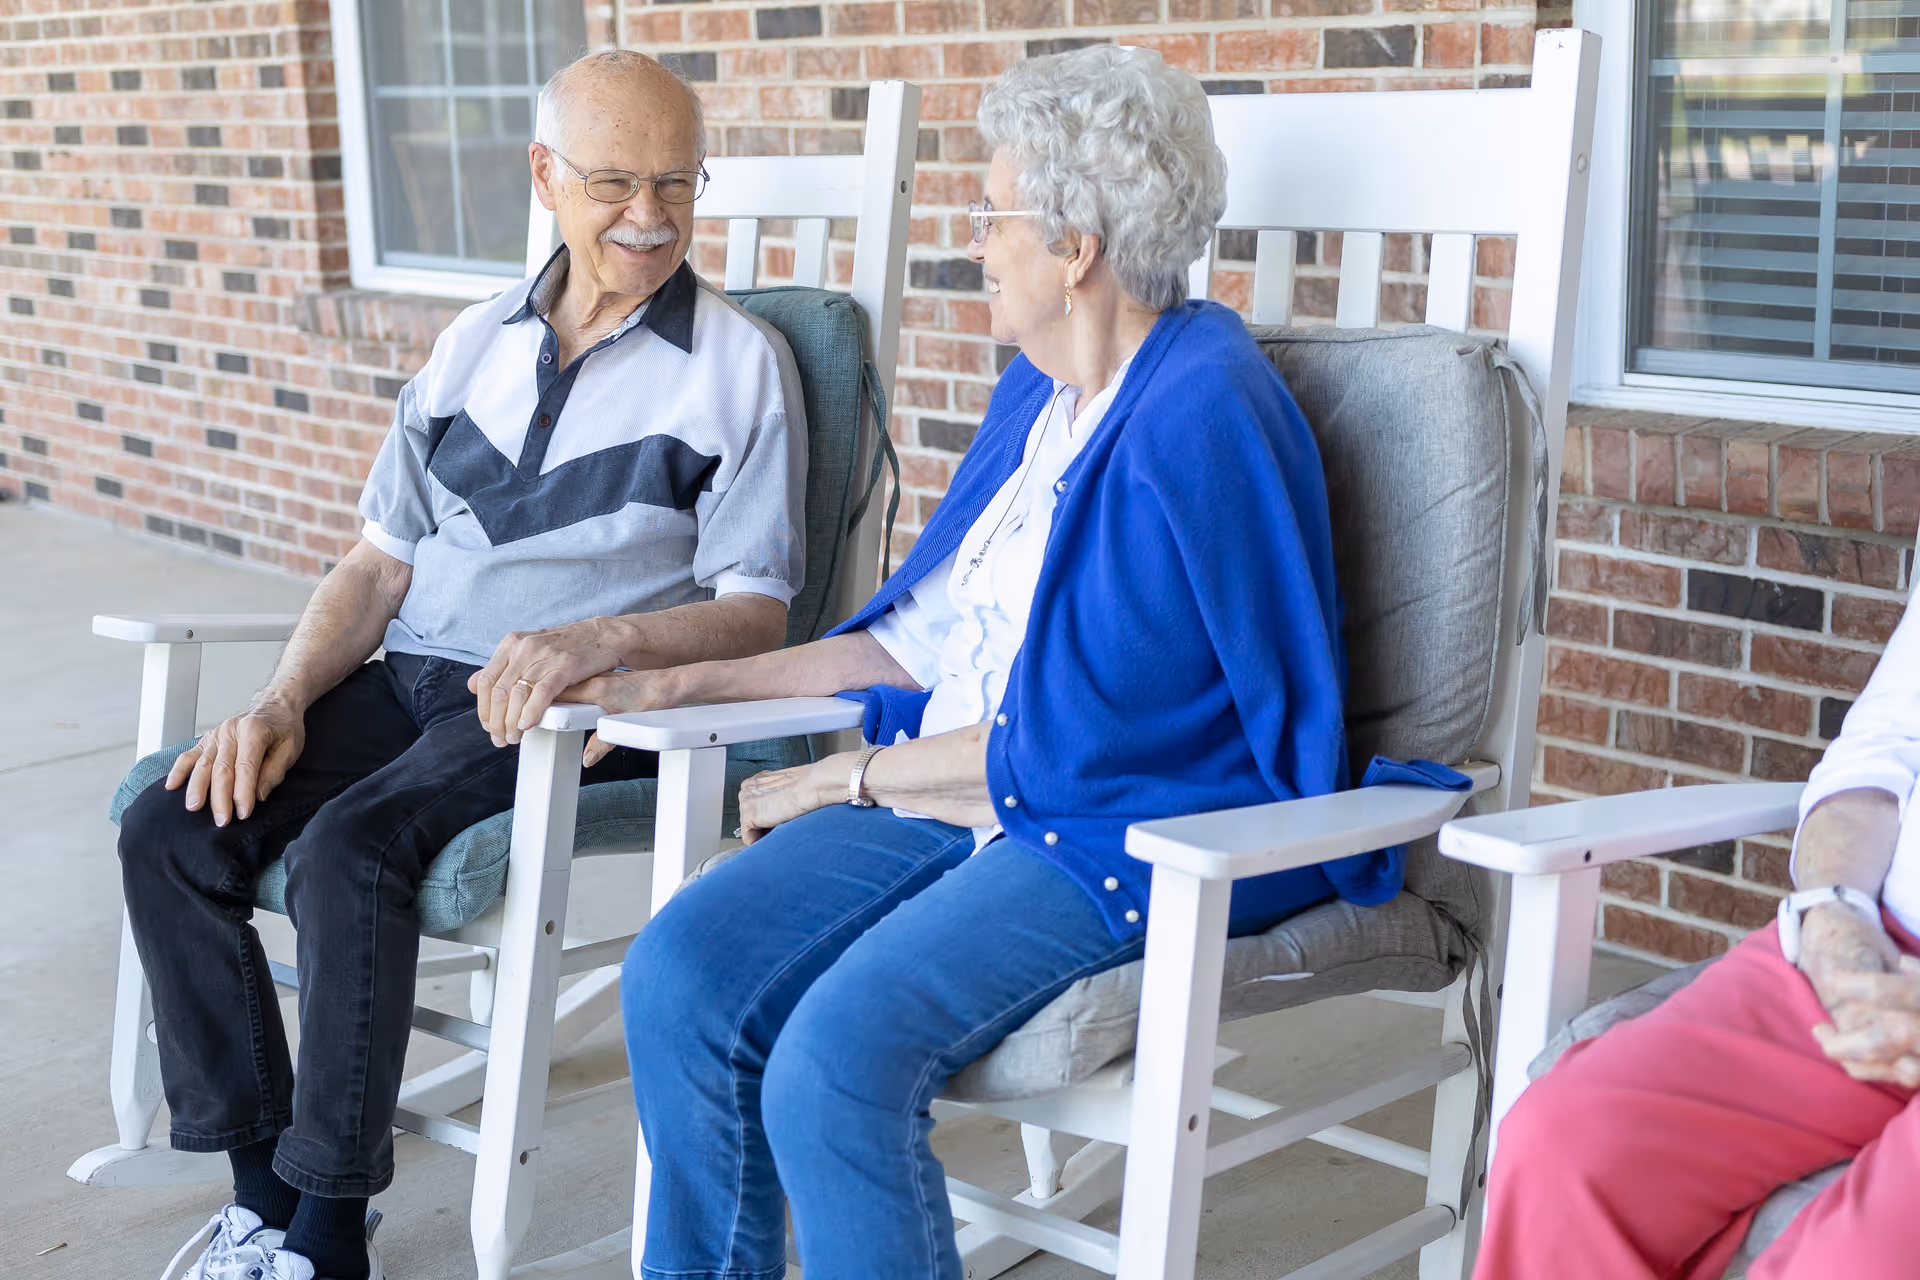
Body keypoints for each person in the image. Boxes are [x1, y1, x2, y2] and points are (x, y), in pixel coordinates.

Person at [551, 46, 1393, 1280]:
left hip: (1111, 828)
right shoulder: (1039, 392)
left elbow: (1087, 751)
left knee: (835, 1060)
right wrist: (677, 681)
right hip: (963, 792)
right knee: (682, 967)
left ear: (1076, 244)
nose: (976, 244)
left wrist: (844, 781)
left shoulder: (1202, 411)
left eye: (994, 215)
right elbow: (916, 637)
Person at [129, 51, 806, 1280]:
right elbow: (376, 567)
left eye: (675, 183)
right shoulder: (469, 343)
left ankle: (327, 1236)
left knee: (351, 849)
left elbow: (757, 607)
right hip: (399, 674)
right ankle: (261, 1196)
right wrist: (283, 699)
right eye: (613, 182)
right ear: (545, 174)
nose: (649, 216)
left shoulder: (737, 365)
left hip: (541, 703)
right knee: (166, 819)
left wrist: (605, 639)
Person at [1476, 589, 1920, 1280]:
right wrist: (1835, 919)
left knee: (1856, 1260)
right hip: (1877, 941)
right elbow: (1885, 745)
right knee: (1565, 1146)